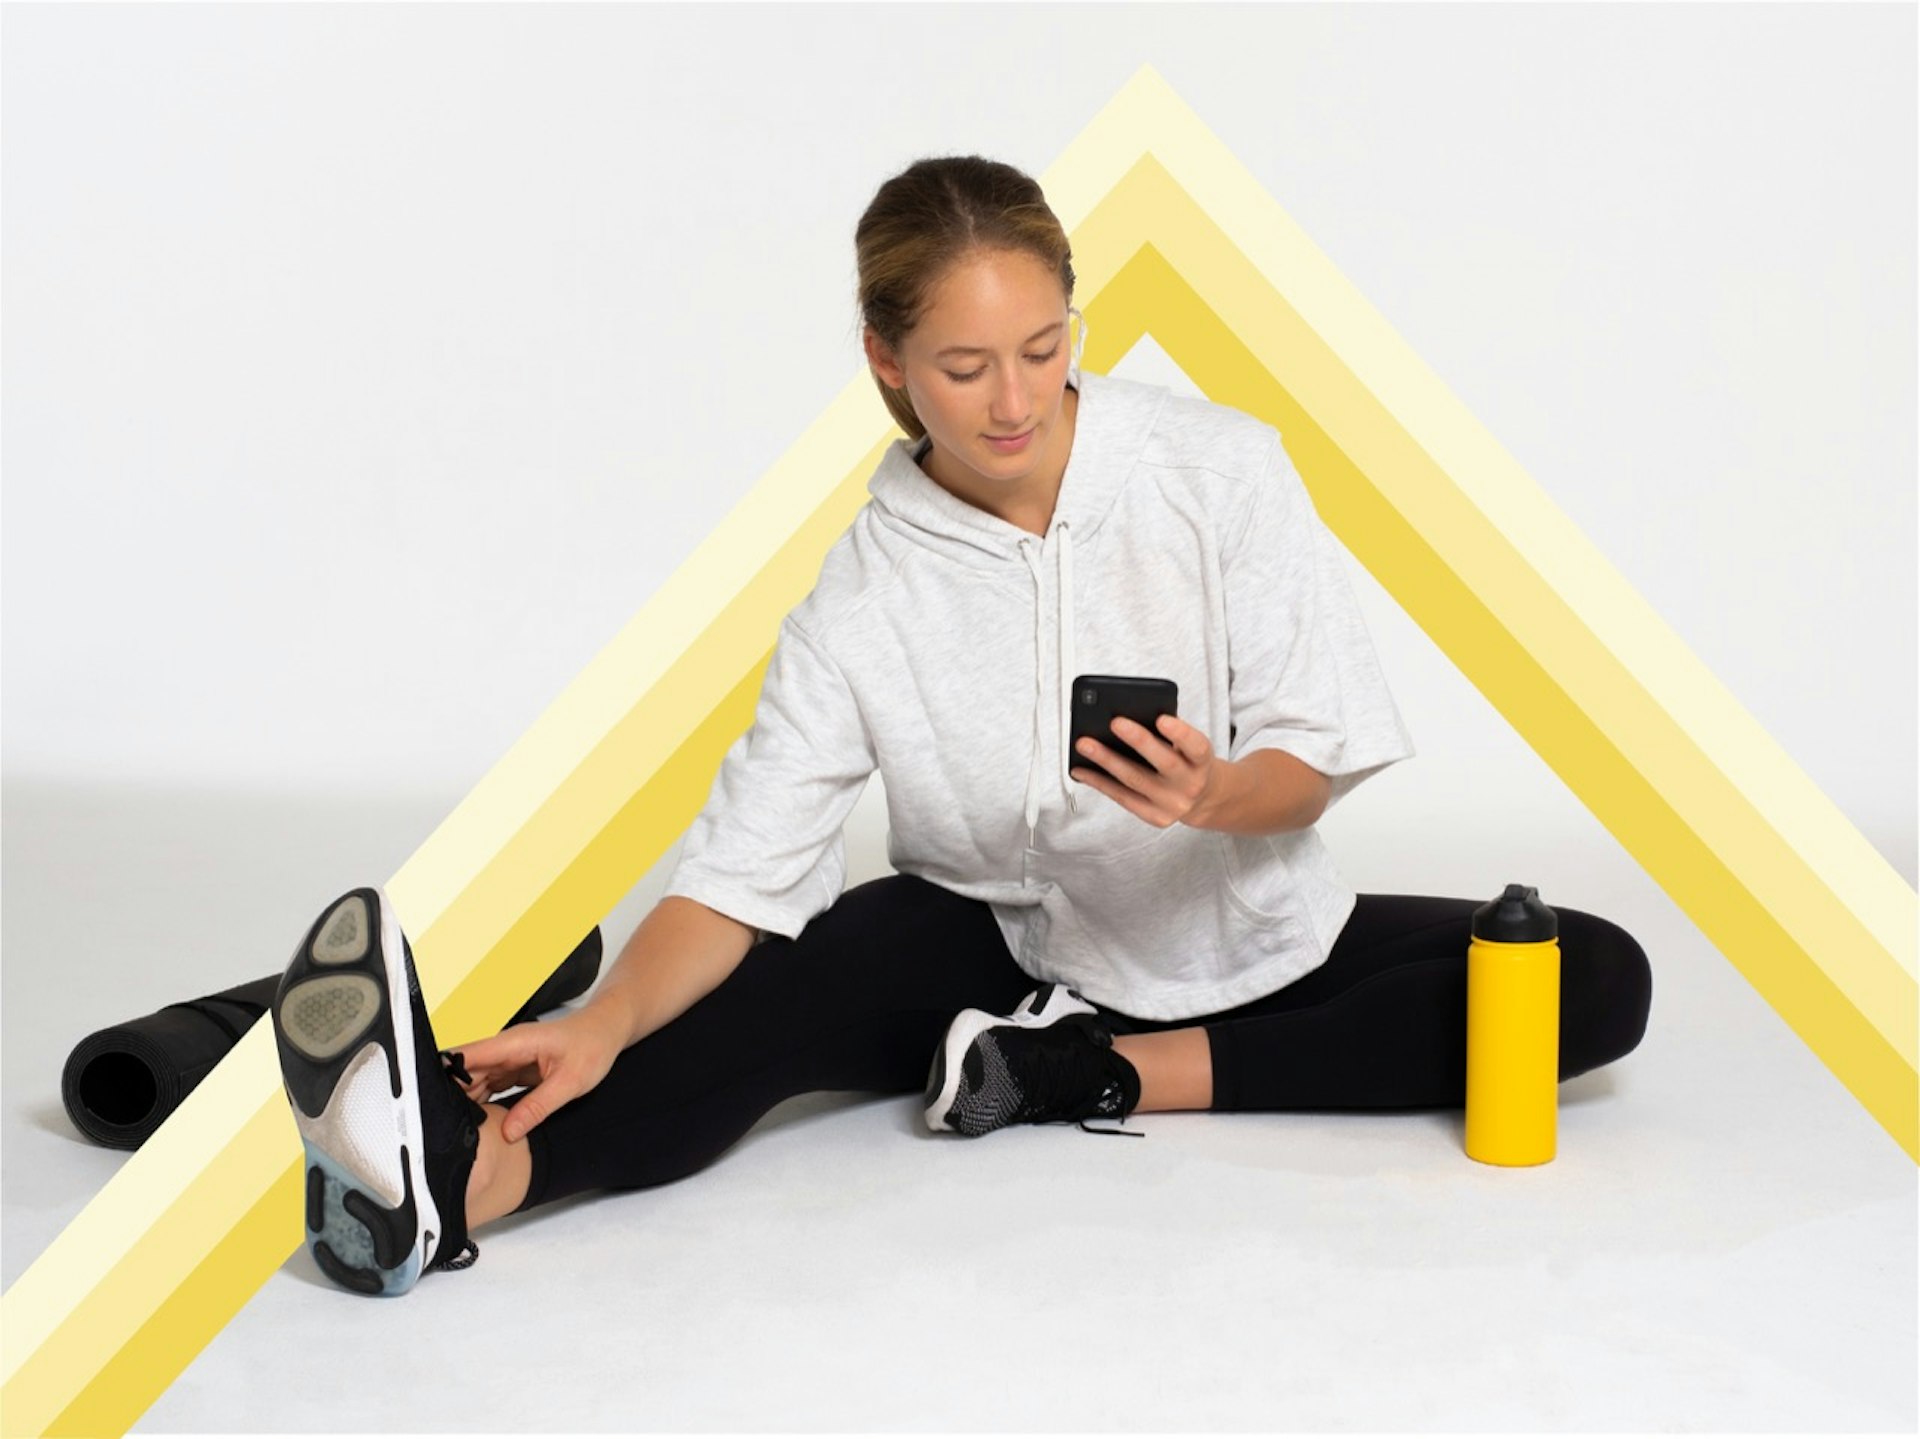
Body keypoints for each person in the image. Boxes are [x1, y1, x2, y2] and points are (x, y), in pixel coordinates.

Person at [270, 155, 1653, 1298]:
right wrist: (601, 1016)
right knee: (781, 992)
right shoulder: (865, 589)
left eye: (1044, 350)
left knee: (1586, 976)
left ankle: (1089, 1075)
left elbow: (1310, 758)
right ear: (885, 362)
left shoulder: (1220, 470)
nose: (1013, 401)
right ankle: (470, 1177)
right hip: (992, 939)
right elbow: (741, 871)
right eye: (965, 365)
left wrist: (1218, 798)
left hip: (1241, 926)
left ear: (1076, 328)